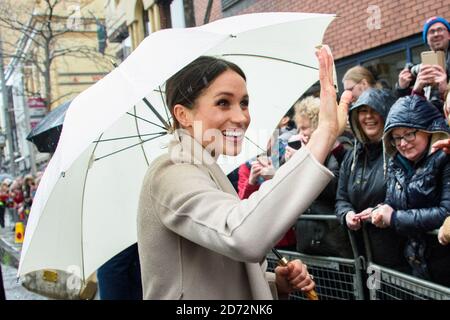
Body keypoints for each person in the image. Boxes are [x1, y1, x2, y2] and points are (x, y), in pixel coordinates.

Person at [137, 46, 351, 299]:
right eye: (223, 102)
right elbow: (242, 236)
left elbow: (215, 272)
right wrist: (323, 134)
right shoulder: (172, 170)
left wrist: (274, 283)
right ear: (183, 114)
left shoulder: (205, 168)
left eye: (244, 103)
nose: (241, 117)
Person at [371, 95, 450, 286]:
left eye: (409, 134)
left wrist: (394, 218)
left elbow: (446, 213)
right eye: (397, 137)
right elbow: (393, 201)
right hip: (418, 264)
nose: (403, 143)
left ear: (428, 130)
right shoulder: (396, 162)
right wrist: (380, 210)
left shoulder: (446, 158)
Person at [335, 88, 409, 272]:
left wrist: (379, 211)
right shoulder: (351, 157)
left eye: (374, 110)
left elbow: (408, 196)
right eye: (362, 111)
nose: (368, 116)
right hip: (362, 254)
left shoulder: (400, 152)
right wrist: (347, 215)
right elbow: (341, 198)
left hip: (396, 255)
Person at [286, 96, 352, 258]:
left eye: (304, 128)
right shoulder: (303, 150)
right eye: (298, 129)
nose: (300, 134)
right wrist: (290, 165)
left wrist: (305, 161)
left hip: (332, 241)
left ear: (317, 126)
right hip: (308, 239)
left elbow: (333, 188)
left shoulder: (339, 148)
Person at [395, 16, 450, 111]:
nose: (436, 34)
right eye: (431, 32)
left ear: (449, 35)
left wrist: (447, 91)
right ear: (426, 39)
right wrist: (402, 88)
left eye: (440, 29)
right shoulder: (422, 69)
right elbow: (408, 111)